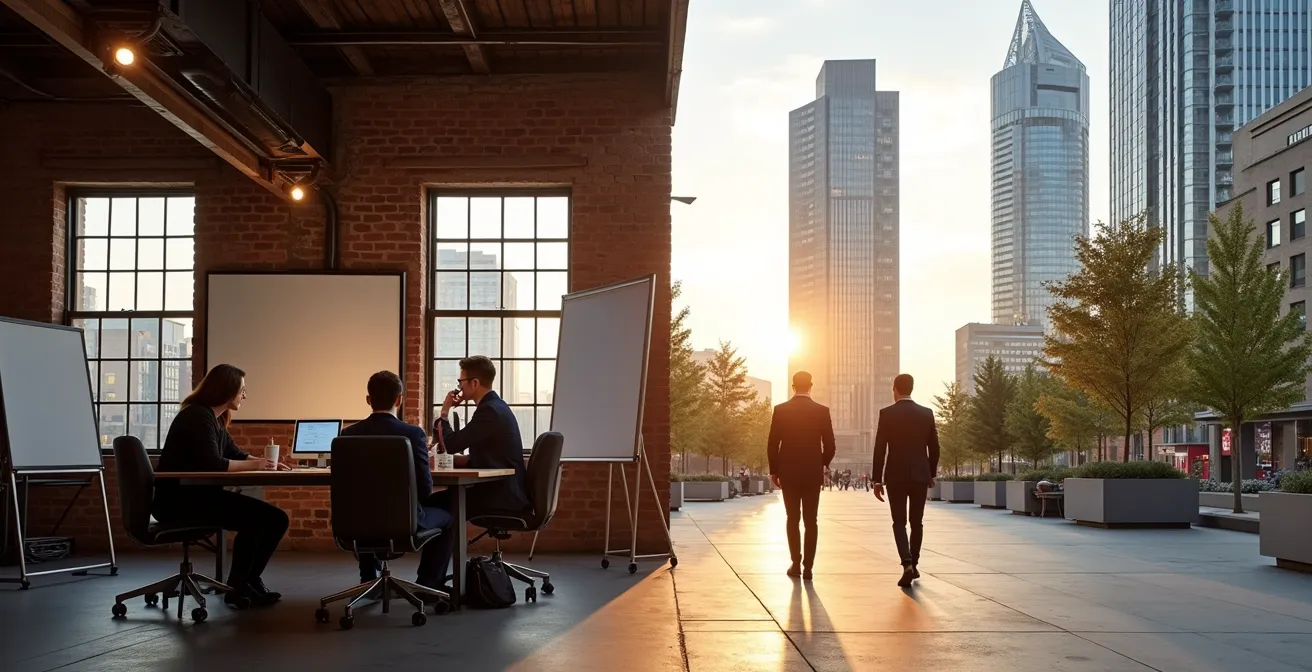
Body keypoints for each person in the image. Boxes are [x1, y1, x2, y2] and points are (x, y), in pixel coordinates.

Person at [153, 364, 289, 608]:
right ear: (227, 390)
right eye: (242, 390)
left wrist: (267, 463)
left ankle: (248, 581)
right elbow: (213, 463)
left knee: (275, 519)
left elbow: (236, 454)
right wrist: (256, 466)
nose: (244, 396)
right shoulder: (197, 416)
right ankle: (238, 587)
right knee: (260, 519)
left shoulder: (214, 418)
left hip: (198, 497)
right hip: (181, 502)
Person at [340, 371, 454, 590]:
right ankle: (429, 584)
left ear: (368, 400)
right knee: (449, 515)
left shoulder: (347, 435)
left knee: (365, 508)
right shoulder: (413, 434)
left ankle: (368, 579)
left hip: (355, 524)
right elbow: (423, 489)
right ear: (399, 399)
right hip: (404, 523)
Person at [436, 356, 530, 517]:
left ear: (474, 383)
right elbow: (491, 455)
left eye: (461, 382)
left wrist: (444, 412)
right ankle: (451, 542)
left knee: (432, 502)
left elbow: (452, 445)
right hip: (502, 490)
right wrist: (463, 460)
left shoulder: (489, 411)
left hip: (499, 496)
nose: (459, 387)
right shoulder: (496, 406)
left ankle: (445, 543)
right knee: (444, 499)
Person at [871, 373, 940, 588]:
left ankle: (907, 563)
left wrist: (876, 479)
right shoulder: (926, 413)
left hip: (895, 476)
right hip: (920, 475)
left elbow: (880, 448)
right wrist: (931, 473)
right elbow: (935, 447)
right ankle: (915, 563)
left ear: (895, 389)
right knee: (916, 522)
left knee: (899, 522)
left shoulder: (887, 414)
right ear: (912, 388)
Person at [765, 371, 836, 579]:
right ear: (811, 386)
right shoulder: (822, 411)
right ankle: (809, 568)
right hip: (812, 472)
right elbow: (831, 446)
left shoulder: (780, 410)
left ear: (793, 386)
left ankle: (795, 563)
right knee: (811, 520)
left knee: (792, 518)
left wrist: (774, 470)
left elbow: (772, 444)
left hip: (788, 472)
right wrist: (821, 463)